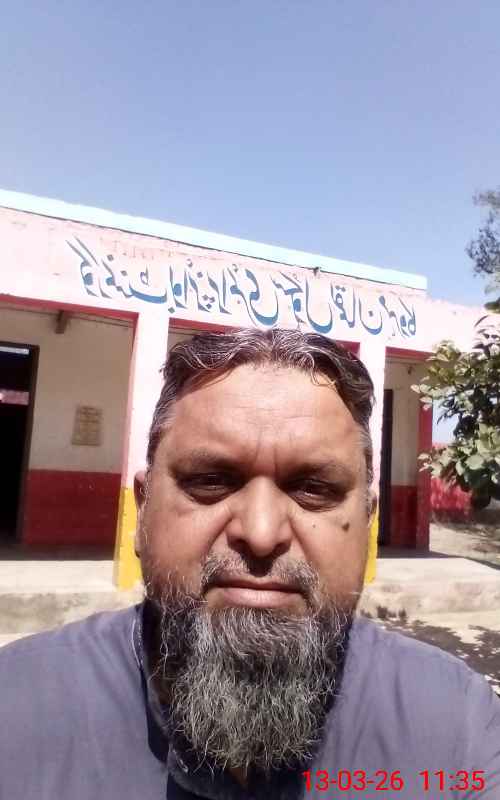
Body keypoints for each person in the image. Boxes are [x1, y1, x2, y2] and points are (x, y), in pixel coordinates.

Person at [1, 328, 499, 800]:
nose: (261, 534)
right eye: (211, 481)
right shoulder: (17, 706)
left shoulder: (456, 726)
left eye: (314, 488)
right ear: (142, 510)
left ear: (367, 526)